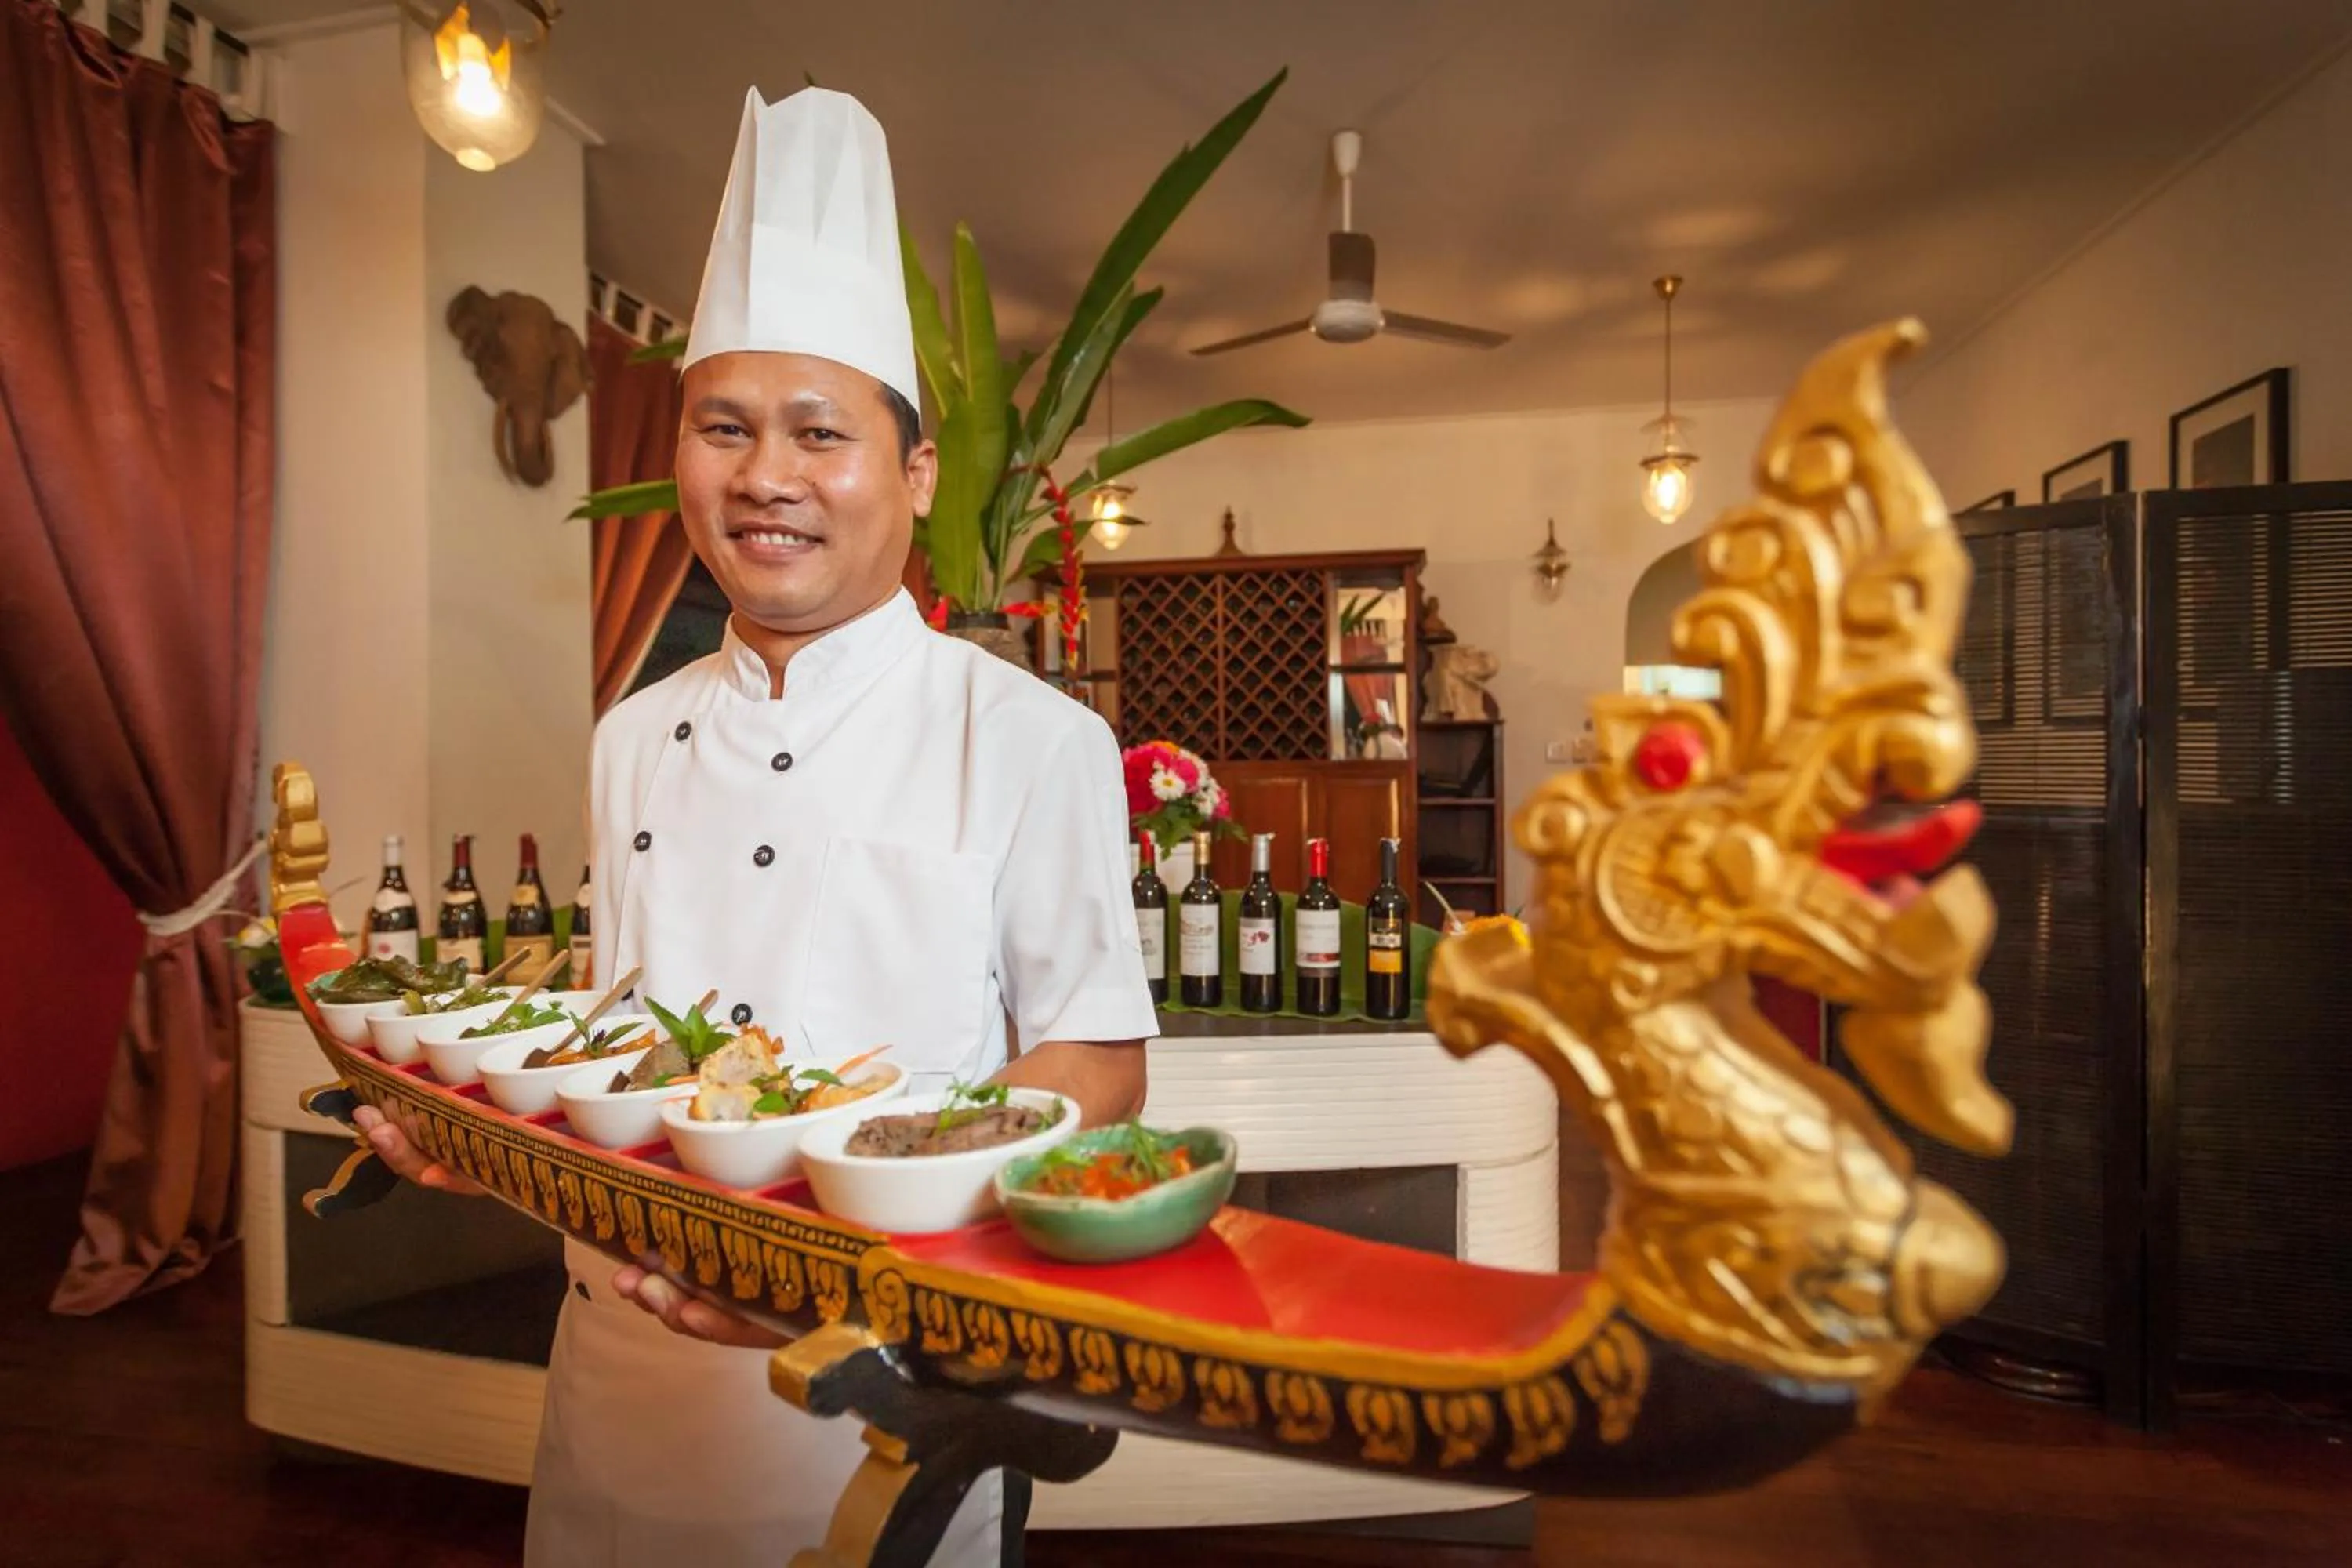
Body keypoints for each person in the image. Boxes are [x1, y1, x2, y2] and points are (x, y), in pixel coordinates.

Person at [353, 84, 1156, 1566]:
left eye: (818, 433)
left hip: (882, 1387)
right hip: (613, 1367)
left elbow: (1098, 1062)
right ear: (682, 462)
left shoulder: (1034, 737)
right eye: (724, 427)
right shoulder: (631, 737)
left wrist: (857, 1251)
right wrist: (493, 1134)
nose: (766, 477)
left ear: (914, 474)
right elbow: (626, 1040)